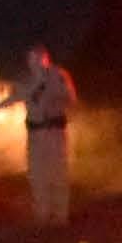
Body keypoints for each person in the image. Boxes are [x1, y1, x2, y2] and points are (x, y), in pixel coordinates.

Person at [11, 45, 78, 223]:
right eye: (29, 59)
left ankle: (60, 214)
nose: (31, 62)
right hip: (35, 134)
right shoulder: (26, 79)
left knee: (57, 173)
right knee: (36, 174)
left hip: (54, 132)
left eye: (35, 58)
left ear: (44, 59)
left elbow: (71, 98)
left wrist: (54, 95)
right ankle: (41, 213)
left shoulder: (58, 75)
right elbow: (14, 98)